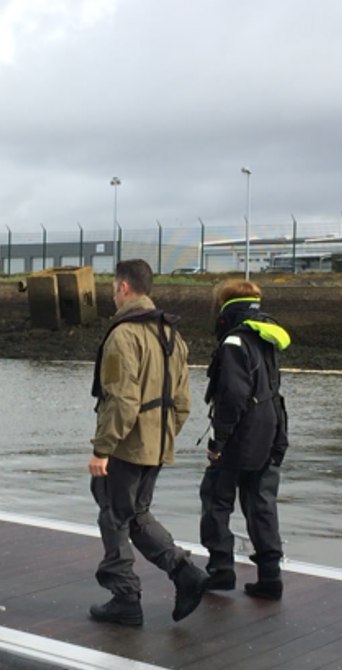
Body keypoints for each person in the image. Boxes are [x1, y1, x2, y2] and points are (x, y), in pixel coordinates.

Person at [87, 259, 208, 626]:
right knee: (135, 515)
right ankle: (185, 573)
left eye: (112, 288)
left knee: (114, 515)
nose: (111, 294)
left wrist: (102, 448)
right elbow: (184, 402)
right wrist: (163, 436)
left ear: (124, 288)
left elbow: (121, 399)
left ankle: (126, 597)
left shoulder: (124, 335)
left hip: (125, 445)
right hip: (157, 445)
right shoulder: (172, 334)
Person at [199, 280, 290, 600]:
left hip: (241, 436)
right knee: (262, 504)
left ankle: (220, 570)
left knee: (215, 499)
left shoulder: (234, 341)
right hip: (271, 430)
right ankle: (270, 576)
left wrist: (217, 443)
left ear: (225, 306)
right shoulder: (266, 335)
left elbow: (233, 398)